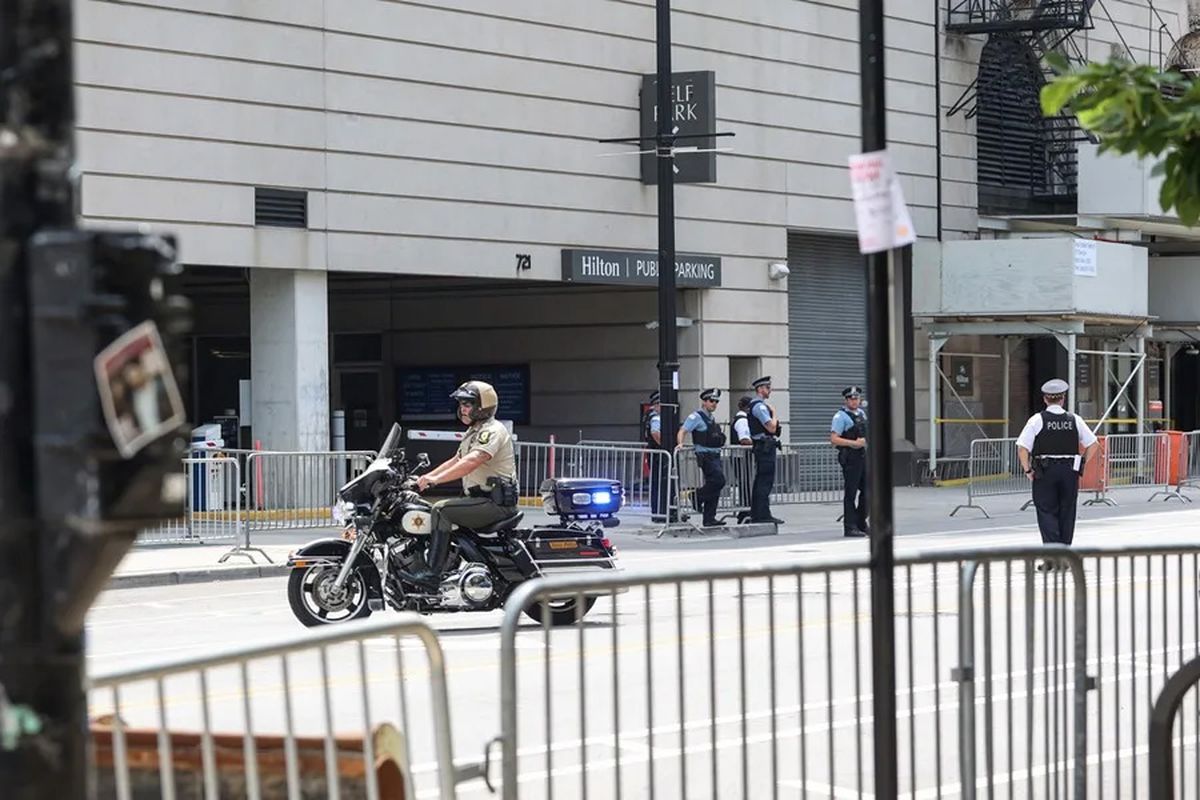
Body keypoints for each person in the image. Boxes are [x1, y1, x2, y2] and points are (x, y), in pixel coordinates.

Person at [409, 380, 518, 588]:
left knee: (441, 510)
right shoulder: (474, 432)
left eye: (467, 404)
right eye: (461, 405)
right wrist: (422, 479)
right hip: (479, 500)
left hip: (495, 504)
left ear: (482, 406)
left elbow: (472, 461)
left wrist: (435, 480)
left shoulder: (492, 430)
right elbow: (456, 460)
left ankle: (432, 573)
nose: (462, 409)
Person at [1016, 378, 1100, 568]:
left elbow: (1022, 448)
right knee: (1067, 512)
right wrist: (1082, 461)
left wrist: (1027, 469)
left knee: (1046, 512)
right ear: (1063, 399)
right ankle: (1064, 557)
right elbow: (1093, 444)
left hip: (1045, 472)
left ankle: (1051, 557)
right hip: (1069, 471)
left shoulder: (1037, 420)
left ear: (1045, 399)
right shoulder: (1074, 419)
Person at [677, 388, 727, 527]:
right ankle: (696, 496)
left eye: (716, 401)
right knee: (719, 480)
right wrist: (680, 443)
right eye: (711, 401)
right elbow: (683, 430)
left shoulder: (711, 418)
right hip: (705, 456)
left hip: (716, 455)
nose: (714, 404)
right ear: (704, 402)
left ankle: (709, 518)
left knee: (715, 487)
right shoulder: (696, 417)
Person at [830, 386, 869, 538]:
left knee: (869, 491)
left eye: (857, 398)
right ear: (846, 400)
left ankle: (860, 522)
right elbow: (834, 439)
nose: (855, 401)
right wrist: (853, 443)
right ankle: (850, 526)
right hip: (850, 457)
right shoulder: (840, 417)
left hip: (863, 456)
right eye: (851, 399)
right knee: (851, 493)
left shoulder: (861, 414)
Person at [748, 376, 785, 524]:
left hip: (763, 446)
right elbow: (771, 427)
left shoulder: (757, 405)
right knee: (765, 482)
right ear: (760, 389)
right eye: (768, 388)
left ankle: (758, 513)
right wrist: (774, 413)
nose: (770, 390)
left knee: (761, 481)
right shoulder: (760, 406)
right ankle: (762, 514)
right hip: (764, 447)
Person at [643, 390, 671, 522]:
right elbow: (655, 433)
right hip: (658, 455)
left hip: (655, 454)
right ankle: (660, 513)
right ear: (657, 404)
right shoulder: (655, 417)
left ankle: (659, 512)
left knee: (658, 483)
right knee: (659, 483)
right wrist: (665, 447)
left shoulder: (650, 415)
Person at [732, 396, 754, 522]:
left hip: (739, 456)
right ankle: (745, 511)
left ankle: (745, 510)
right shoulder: (742, 421)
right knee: (745, 484)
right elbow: (744, 440)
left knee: (744, 483)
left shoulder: (738, 418)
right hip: (741, 456)